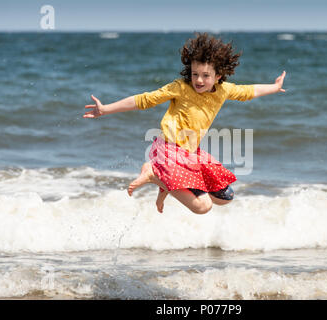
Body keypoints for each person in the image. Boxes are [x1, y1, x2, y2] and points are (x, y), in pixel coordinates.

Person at [84, 33, 286, 214]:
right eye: (195, 74)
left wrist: (275, 87)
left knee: (225, 197)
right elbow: (143, 100)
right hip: (169, 150)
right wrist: (106, 109)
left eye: (206, 76)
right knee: (203, 207)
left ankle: (164, 182)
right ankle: (154, 173)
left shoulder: (224, 90)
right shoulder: (180, 87)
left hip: (189, 152)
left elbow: (249, 92)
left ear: (218, 76)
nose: (198, 80)